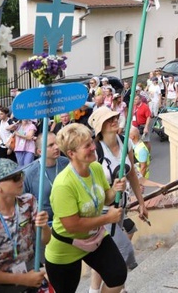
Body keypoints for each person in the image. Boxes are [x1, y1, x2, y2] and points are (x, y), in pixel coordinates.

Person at [44, 124, 127, 293]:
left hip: (94, 237)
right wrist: (107, 218)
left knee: (117, 275)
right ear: (71, 154)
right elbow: (72, 225)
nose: (93, 147)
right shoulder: (63, 185)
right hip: (66, 248)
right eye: (87, 146)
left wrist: (115, 189)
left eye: (92, 142)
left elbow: (106, 198)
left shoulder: (95, 168)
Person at [88, 107, 147, 291]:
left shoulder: (125, 141)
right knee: (124, 254)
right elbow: (92, 189)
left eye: (114, 117)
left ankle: (93, 290)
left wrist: (142, 202)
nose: (115, 120)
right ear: (100, 127)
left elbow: (132, 176)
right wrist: (112, 190)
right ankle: (115, 287)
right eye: (109, 119)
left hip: (121, 209)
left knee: (104, 254)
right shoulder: (95, 152)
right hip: (102, 213)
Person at [0, 158, 50, 292]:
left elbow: (45, 240)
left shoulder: (29, 202)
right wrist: (22, 279)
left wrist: (44, 226)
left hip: (31, 279)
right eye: (14, 177)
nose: (21, 179)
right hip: (1, 288)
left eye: (21, 174)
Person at [22, 131, 70, 221]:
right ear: (40, 151)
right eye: (51, 145)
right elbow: (22, 204)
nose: (57, 147)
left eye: (57, 143)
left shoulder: (67, 163)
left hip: (68, 220)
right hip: (45, 225)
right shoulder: (29, 173)